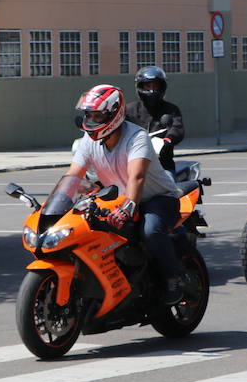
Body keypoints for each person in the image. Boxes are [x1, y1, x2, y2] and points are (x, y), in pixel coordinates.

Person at [68, 84, 185, 304]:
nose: (92, 120)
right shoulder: (88, 140)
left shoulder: (137, 136)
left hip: (156, 199)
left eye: (97, 115)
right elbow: (73, 175)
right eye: (89, 115)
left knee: (150, 231)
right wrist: (56, 203)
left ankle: (173, 277)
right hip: (117, 199)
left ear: (114, 114)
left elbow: (137, 177)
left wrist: (128, 207)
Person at [124, 66, 185, 173]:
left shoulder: (171, 109)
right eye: (148, 86)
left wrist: (168, 140)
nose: (152, 90)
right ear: (140, 86)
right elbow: (117, 126)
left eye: (156, 86)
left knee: (170, 187)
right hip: (132, 163)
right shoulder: (129, 110)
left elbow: (177, 128)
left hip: (162, 165)